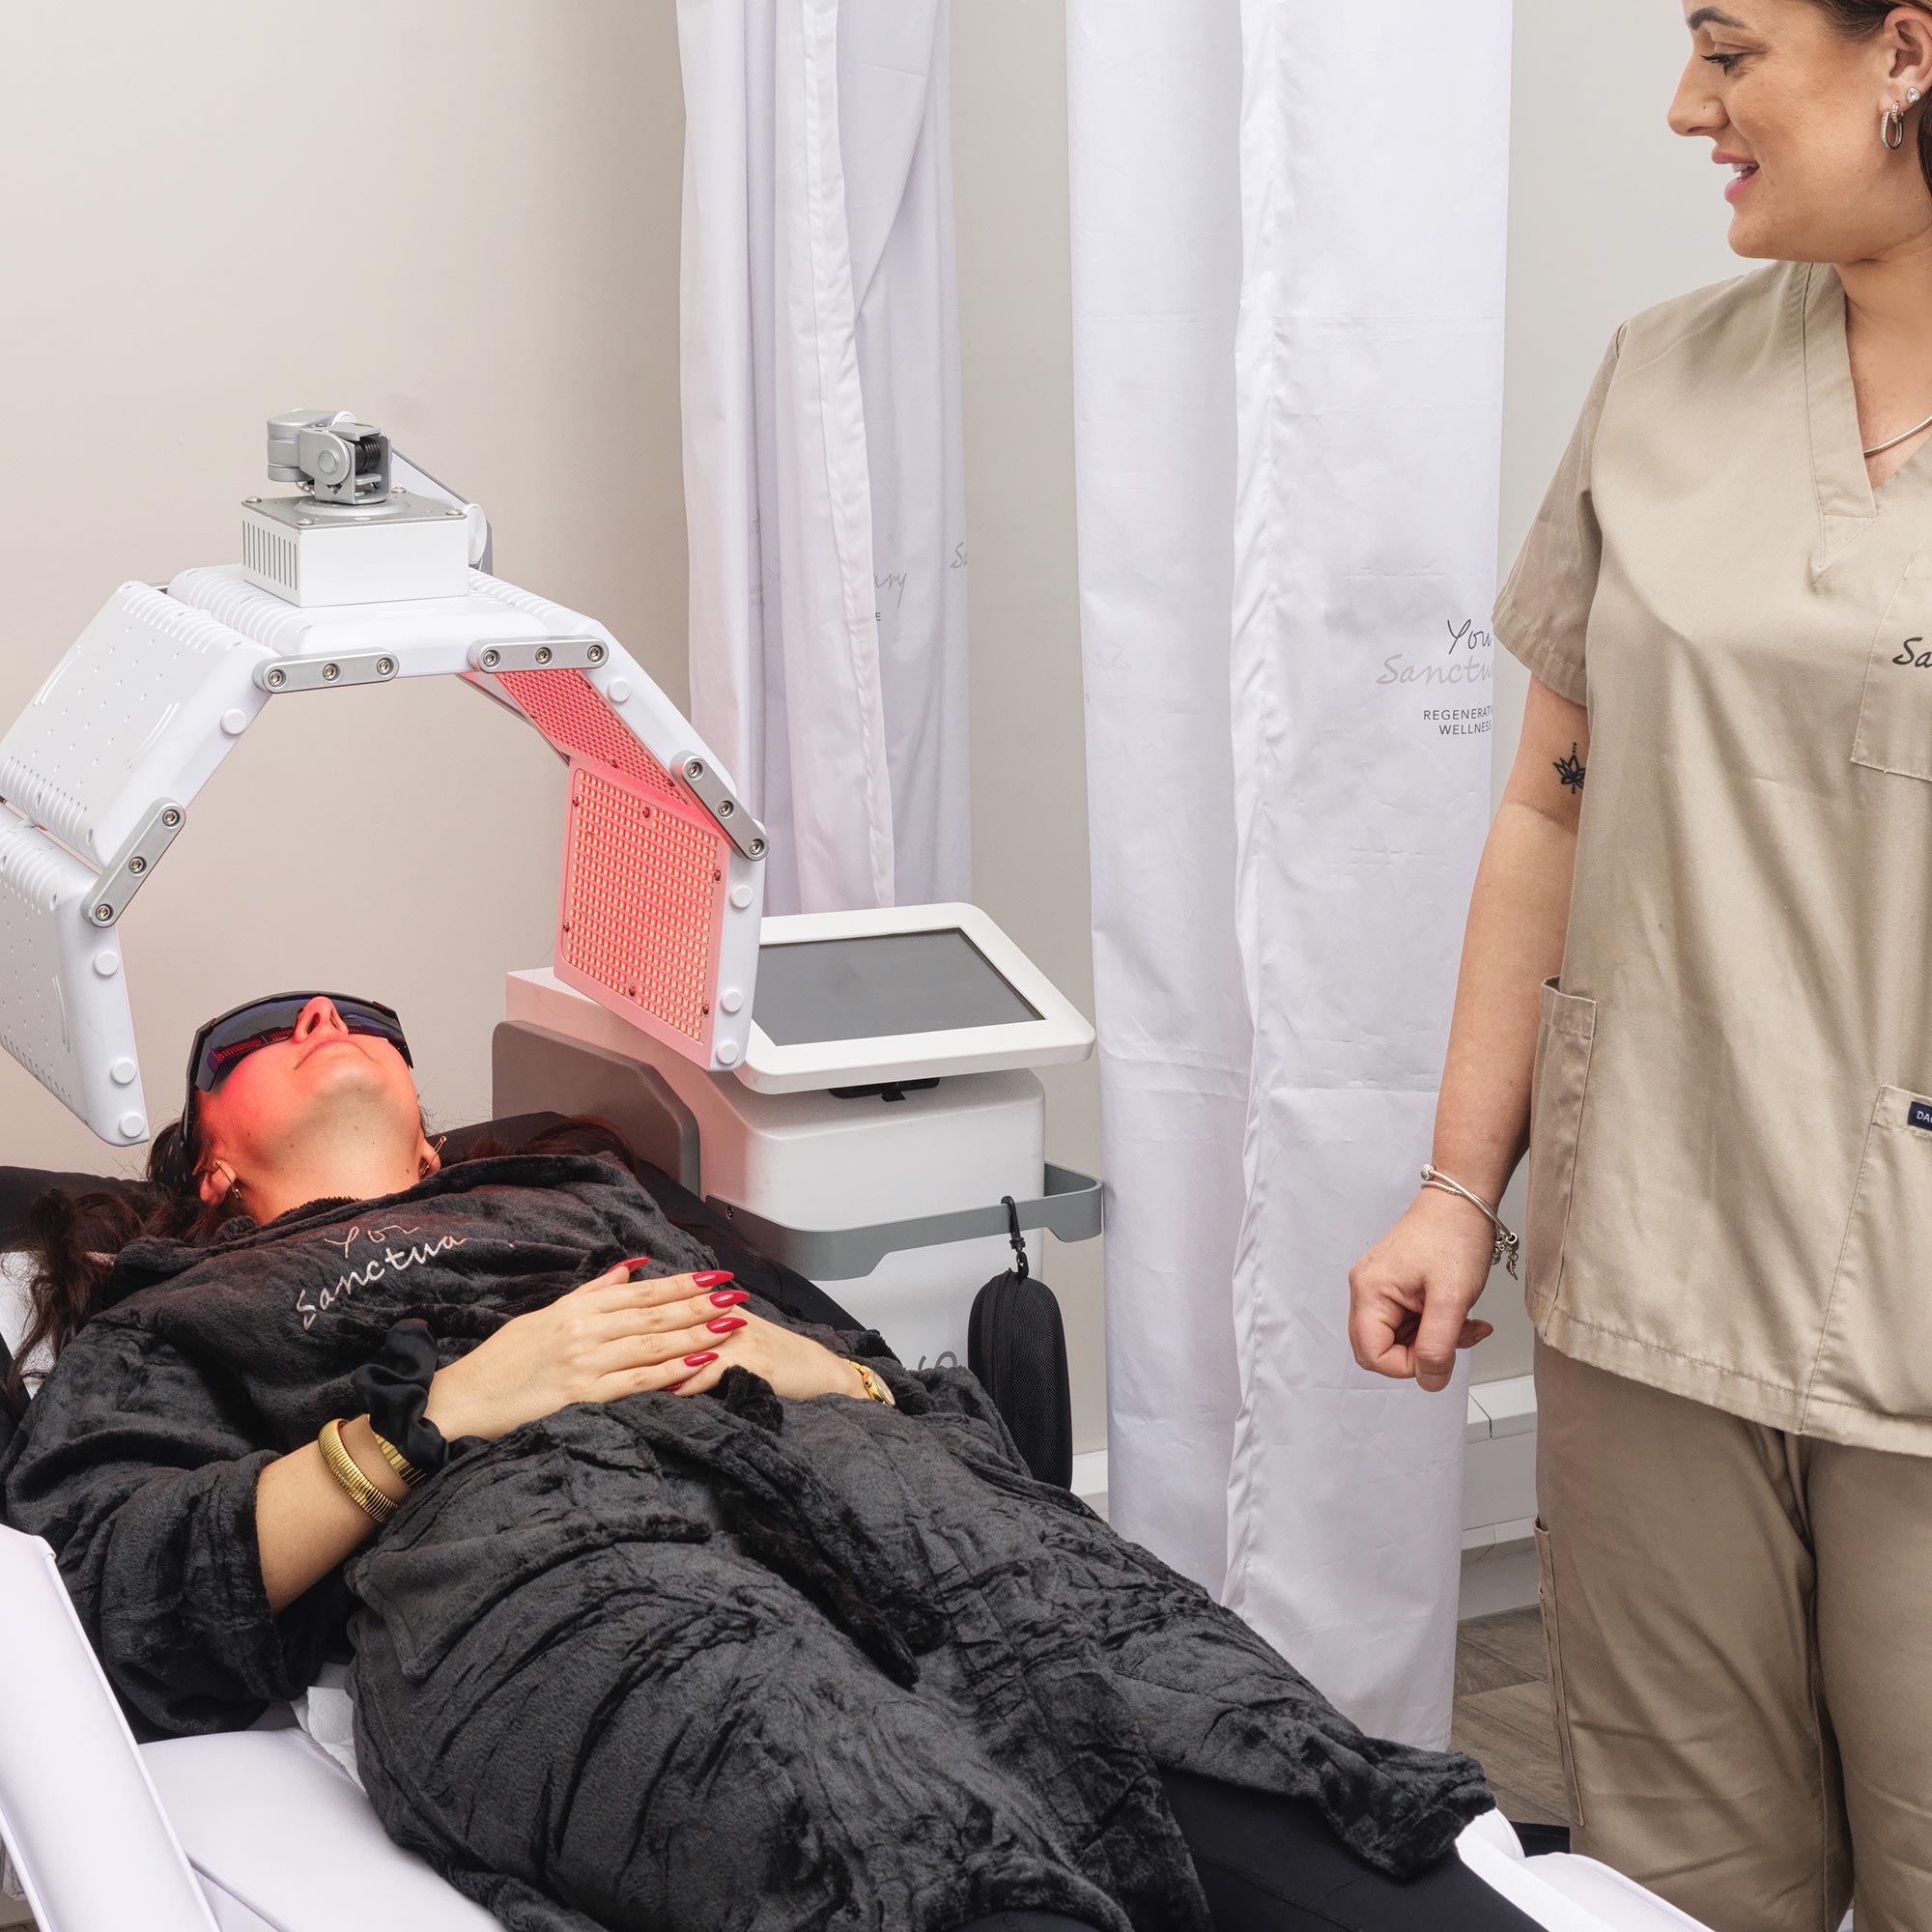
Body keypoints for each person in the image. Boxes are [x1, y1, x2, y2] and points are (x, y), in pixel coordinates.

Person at [0, 992, 1539, 1932]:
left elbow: (923, 1411)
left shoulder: (596, 1201)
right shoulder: (174, 1314)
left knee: (1234, 1747)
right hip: (535, 1553)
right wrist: (441, 1417)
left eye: (363, 1018)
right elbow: (121, 1602)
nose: (320, 1022)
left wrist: (848, 1375)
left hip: (856, 1476)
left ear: (427, 1140)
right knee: (858, 1819)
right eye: (257, 1034)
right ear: (212, 1158)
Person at [1347, 5, 1932, 1929]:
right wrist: (1459, 1185)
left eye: (1731, 51)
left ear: (1906, 51)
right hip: (1656, 1256)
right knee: (1681, 1875)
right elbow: (1551, 807)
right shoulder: (1667, 375)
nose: (1690, 107)